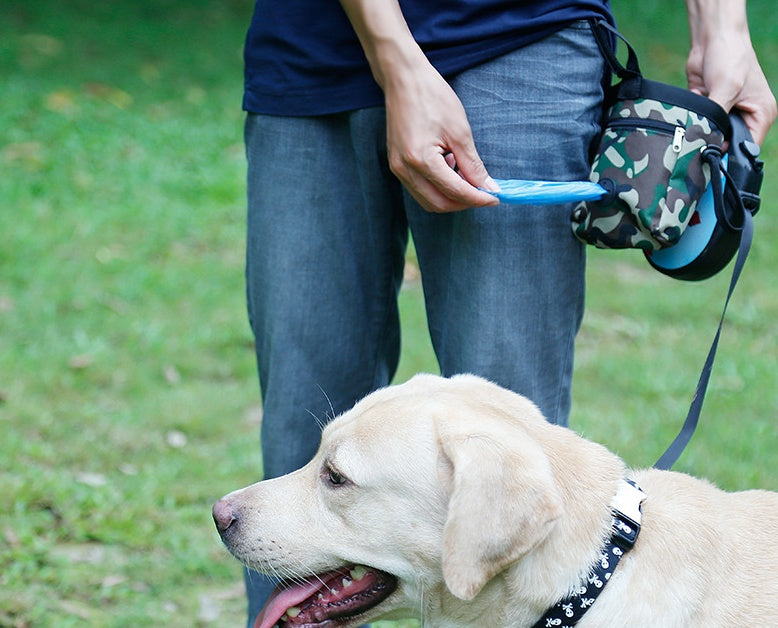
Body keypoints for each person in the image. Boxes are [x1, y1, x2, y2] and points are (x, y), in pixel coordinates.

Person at [239, 0, 775, 625]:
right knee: (305, 451)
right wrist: (398, 60)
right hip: (312, 52)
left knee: (512, 472)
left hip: (522, 48)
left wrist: (722, 24)